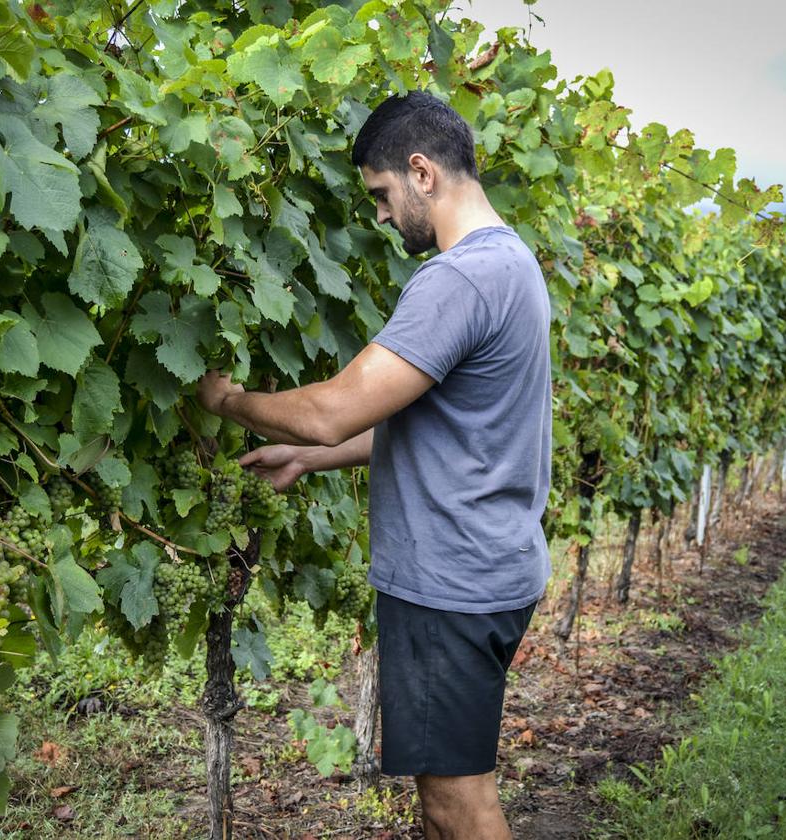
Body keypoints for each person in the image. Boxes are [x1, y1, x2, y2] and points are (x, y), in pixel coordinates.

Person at [197, 90, 552, 840]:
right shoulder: (514, 262)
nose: (382, 218)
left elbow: (336, 408)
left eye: (383, 195)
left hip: (450, 584)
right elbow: (452, 428)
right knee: (444, 797)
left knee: (458, 803)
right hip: (489, 567)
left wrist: (229, 399)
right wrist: (308, 458)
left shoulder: (458, 279)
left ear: (422, 172)